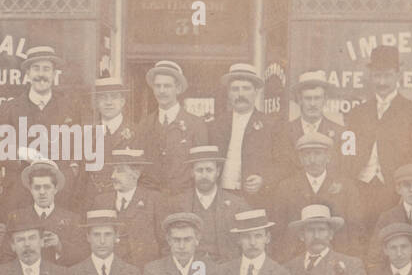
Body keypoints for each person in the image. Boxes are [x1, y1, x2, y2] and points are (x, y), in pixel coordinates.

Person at [345, 46, 412, 222]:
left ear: (398, 76)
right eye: (377, 76)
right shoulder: (357, 114)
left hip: (395, 191)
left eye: (388, 76)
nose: (382, 82)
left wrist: (406, 187)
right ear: (370, 76)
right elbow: (346, 154)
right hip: (361, 190)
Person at [0, 46, 83, 210]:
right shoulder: (10, 108)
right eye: (36, 69)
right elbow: (1, 149)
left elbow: (77, 150)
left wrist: (69, 175)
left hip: (60, 194)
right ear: (27, 74)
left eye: (46, 69)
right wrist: (23, 153)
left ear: (54, 74)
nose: (41, 74)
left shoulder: (69, 107)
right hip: (20, 194)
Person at [272, 132, 364, 260]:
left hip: (337, 257)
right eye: (307, 155)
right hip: (296, 259)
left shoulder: (346, 187)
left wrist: (350, 260)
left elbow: (355, 228)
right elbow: (279, 231)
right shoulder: (286, 188)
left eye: (317, 153)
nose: (312, 160)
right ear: (300, 158)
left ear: (328, 157)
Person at [204, 63, 279, 207]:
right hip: (220, 196)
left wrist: (263, 179)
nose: (240, 94)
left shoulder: (271, 125)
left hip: (254, 198)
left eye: (246, 88)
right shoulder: (215, 125)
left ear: (256, 91)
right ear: (228, 93)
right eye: (235, 89)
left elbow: (283, 164)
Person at [134, 60, 208, 195]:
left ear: (178, 89)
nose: (161, 91)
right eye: (157, 86)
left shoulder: (196, 124)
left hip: (183, 199)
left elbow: (201, 167)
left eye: (167, 86)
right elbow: (139, 166)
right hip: (151, 200)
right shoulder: (144, 124)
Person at [163, 144, 247, 262]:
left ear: (217, 172)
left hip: (225, 269)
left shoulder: (237, 204)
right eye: (199, 170)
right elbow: (167, 245)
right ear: (192, 172)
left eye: (209, 170)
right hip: (189, 267)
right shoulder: (177, 204)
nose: (204, 175)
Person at [270, 70, 346, 182]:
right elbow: (279, 168)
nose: (312, 104)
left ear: (325, 100)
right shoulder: (284, 131)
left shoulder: (339, 132)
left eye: (317, 98)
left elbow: (343, 171)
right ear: (300, 100)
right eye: (307, 98)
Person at [9, 159, 86, 267]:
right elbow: (6, 257)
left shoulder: (72, 219)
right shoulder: (17, 218)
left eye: (47, 187)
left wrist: (60, 246)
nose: (42, 192)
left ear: (55, 189)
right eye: (37, 188)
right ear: (30, 189)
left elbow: (82, 257)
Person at [93, 147, 161, 266]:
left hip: (143, 272)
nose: (113, 176)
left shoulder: (153, 200)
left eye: (119, 171)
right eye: (113, 170)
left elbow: (165, 243)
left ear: (136, 174)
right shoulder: (101, 201)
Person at [85, 76, 143, 202]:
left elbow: (143, 174)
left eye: (114, 97)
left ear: (122, 101)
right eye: (103, 97)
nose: (108, 102)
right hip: (93, 201)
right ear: (96, 103)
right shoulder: (87, 134)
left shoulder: (138, 133)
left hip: (124, 200)